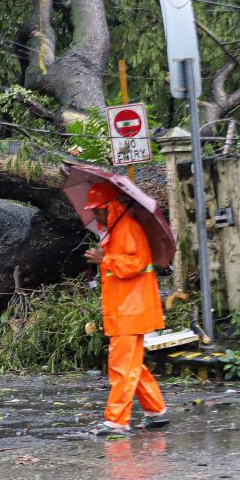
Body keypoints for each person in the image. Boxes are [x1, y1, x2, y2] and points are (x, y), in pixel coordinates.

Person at [83, 182, 169, 435]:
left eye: (97, 210)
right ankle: (157, 411)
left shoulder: (127, 228)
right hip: (126, 309)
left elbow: (137, 263)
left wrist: (105, 258)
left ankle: (117, 421)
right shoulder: (117, 229)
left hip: (130, 310)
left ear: (111, 207)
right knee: (132, 364)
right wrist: (105, 255)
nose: (95, 215)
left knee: (122, 366)